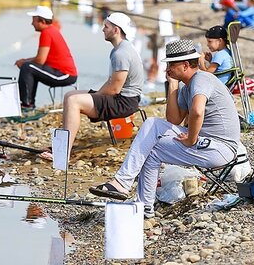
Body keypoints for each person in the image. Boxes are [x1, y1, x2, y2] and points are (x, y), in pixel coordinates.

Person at [89, 39, 240, 217]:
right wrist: (173, 86)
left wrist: (191, 138)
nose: (167, 69)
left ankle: (122, 183)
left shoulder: (202, 79)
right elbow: (173, 120)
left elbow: (197, 111)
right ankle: (144, 206)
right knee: (152, 148)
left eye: (170, 64)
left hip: (220, 147)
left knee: (152, 125)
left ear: (185, 65)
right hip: (208, 143)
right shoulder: (186, 87)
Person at [41, 12, 144, 160]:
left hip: (125, 102)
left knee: (73, 101)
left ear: (116, 30)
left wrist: (94, 96)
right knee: (70, 95)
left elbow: (114, 88)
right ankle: (62, 144)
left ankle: (63, 152)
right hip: (121, 97)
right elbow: (111, 82)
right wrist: (94, 95)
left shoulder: (121, 53)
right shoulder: (120, 49)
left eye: (106, 27)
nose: (103, 29)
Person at [14, 6, 78, 110]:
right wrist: (24, 61)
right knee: (29, 67)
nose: (31, 23)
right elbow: (40, 59)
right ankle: (29, 104)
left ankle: (27, 106)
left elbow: (40, 60)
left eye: (34, 21)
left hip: (65, 75)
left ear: (42, 21)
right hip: (60, 72)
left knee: (27, 67)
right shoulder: (51, 30)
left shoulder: (47, 33)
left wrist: (23, 62)